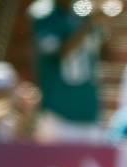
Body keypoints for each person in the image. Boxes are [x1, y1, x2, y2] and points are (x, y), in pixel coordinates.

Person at [29, 0, 110, 142]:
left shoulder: (82, 8)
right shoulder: (44, 12)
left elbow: (105, 51)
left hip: (88, 111)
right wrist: (88, 24)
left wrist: (103, 20)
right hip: (58, 113)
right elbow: (60, 53)